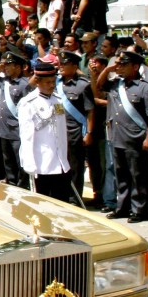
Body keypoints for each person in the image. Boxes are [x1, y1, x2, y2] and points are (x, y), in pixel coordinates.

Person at [95, 50, 148, 222]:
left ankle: (139, 210)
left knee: (137, 176)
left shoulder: (145, 87)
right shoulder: (116, 84)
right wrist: (107, 70)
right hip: (117, 136)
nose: (119, 67)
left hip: (136, 137)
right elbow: (99, 86)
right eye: (118, 64)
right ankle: (122, 207)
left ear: (135, 67)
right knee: (120, 174)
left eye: (123, 64)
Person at [18, 61, 71, 201]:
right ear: (37, 82)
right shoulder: (28, 103)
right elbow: (27, 136)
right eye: (47, 82)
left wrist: (64, 159)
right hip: (41, 164)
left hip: (60, 163)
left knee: (61, 205)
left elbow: (61, 133)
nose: (52, 85)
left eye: (53, 81)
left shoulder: (58, 99)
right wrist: (29, 163)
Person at [57, 51, 95, 203]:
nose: (61, 67)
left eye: (65, 64)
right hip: (59, 132)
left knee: (75, 168)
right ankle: (63, 195)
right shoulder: (56, 83)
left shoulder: (83, 85)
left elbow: (90, 111)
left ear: (74, 66)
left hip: (75, 132)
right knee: (60, 167)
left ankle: (75, 198)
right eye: (60, 63)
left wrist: (89, 132)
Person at [0, 51, 31, 188]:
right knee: (7, 159)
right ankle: (12, 182)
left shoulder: (24, 84)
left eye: (9, 65)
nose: (6, 68)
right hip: (4, 128)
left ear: (18, 67)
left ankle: (22, 184)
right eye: (5, 65)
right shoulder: (4, 82)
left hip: (17, 129)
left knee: (20, 160)